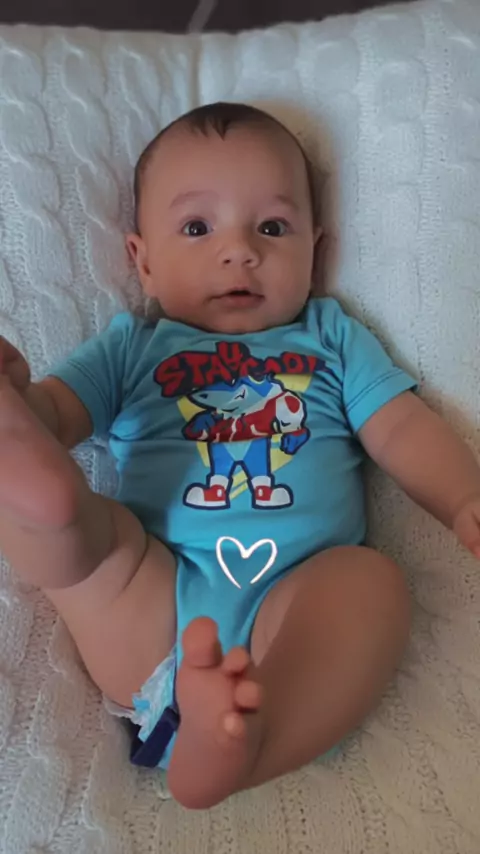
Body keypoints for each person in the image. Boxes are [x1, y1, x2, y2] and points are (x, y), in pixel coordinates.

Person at [1, 102, 479, 810]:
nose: (239, 251)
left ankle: (239, 743)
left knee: (370, 583)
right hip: (154, 597)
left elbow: (401, 427)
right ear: (144, 261)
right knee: (95, 540)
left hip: (295, 623)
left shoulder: (331, 337)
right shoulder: (133, 346)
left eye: (272, 228)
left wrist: (463, 496)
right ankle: (35, 494)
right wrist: (26, 408)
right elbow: (60, 416)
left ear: (316, 250)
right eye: (198, 228)